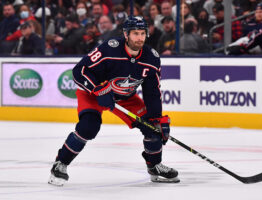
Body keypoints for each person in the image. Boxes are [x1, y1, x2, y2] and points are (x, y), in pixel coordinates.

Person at [48, 16, 179, 186]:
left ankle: (154, 166)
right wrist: (96, 88)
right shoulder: (109, 49)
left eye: (142, 33)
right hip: (95, 92)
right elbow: (79, 70)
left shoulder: (151, 58)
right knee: (88, 127)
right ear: (126, 34)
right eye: (135, 34)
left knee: (153, 128)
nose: (139, 38)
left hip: (125, 97)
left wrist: (156, 117)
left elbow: (152, 92)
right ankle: (60, 164)